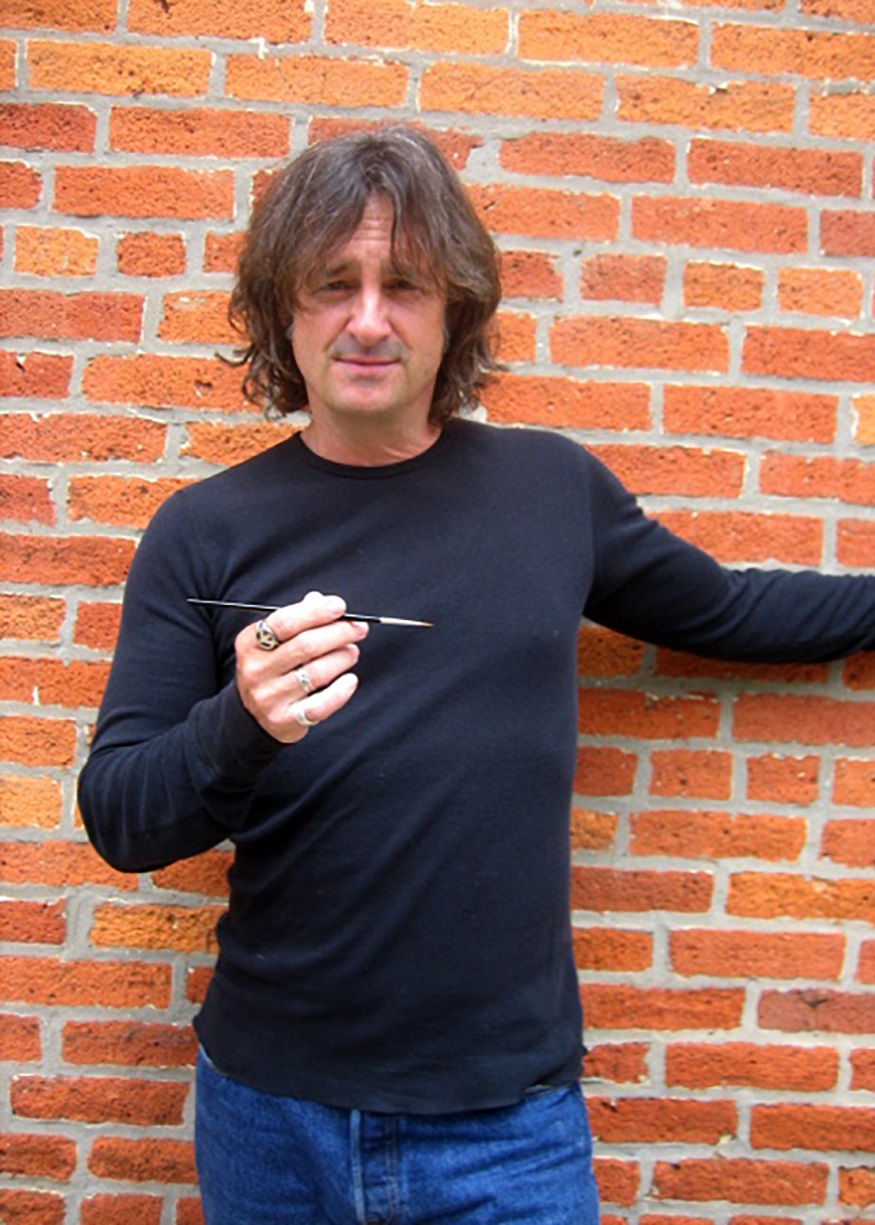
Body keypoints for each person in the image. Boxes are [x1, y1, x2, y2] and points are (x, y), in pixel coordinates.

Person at [78, 125, 875, 1225]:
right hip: (272, 1112)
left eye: (403, 284)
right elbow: (121, 818)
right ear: (281, 311)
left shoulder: (549, 491)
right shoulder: (202, 531)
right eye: (333, 284)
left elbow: (730, 611)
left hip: (507, 1127)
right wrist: (243, 720)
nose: (368, 320)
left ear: (453, 307)